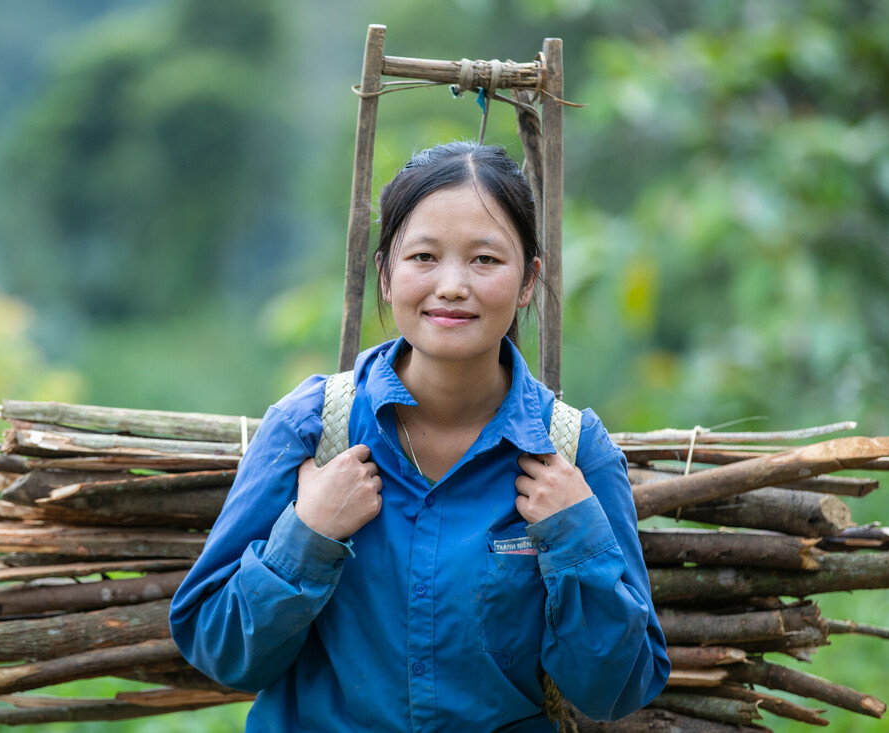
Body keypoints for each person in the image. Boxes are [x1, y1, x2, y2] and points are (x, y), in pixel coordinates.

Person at [169, 141, 670, 731]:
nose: (453, 285)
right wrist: (307, 536)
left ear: (530, 280)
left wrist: (575, 535)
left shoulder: (573, 453)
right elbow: (220, 650)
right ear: (385, 275)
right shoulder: (310, 428)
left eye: (485, 260)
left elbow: (617, 691)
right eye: (424, 257)